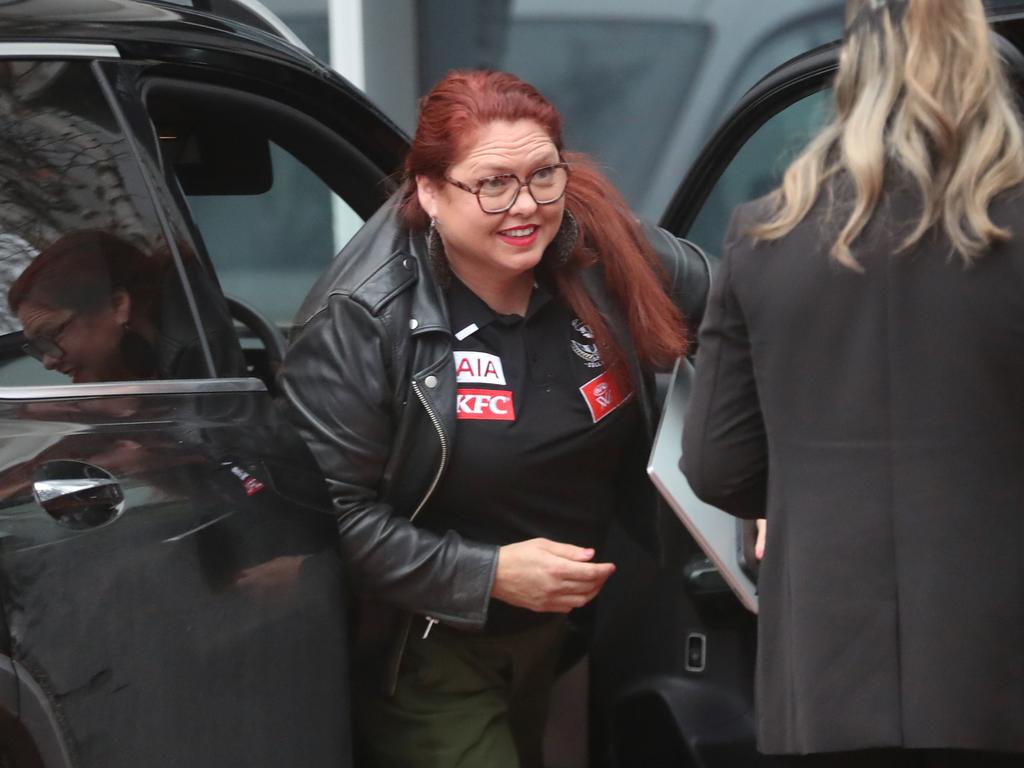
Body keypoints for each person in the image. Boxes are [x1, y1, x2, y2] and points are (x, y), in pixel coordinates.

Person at [281, 70, 704, 768]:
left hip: (563, 634)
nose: (526, 206)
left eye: (544, 175)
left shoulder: (594, 245)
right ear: (428, 192)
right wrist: (488, 574)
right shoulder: (364, 319)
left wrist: (757, 481)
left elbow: (750, 311)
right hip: (426, 648)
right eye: (492, 184)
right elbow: (330, 517)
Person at [682, 0, 1024, 765]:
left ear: (850, 72)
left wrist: (799, 491)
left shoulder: (763, 235)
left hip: (824, 675)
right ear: (981, 65)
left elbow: (717, 464)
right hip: (999, 676)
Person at [9, 230, 162, 383]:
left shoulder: (184, 369)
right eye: (39, 346)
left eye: (52, 334)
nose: (48, 362)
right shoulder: (165, 370)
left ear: (117, 305)